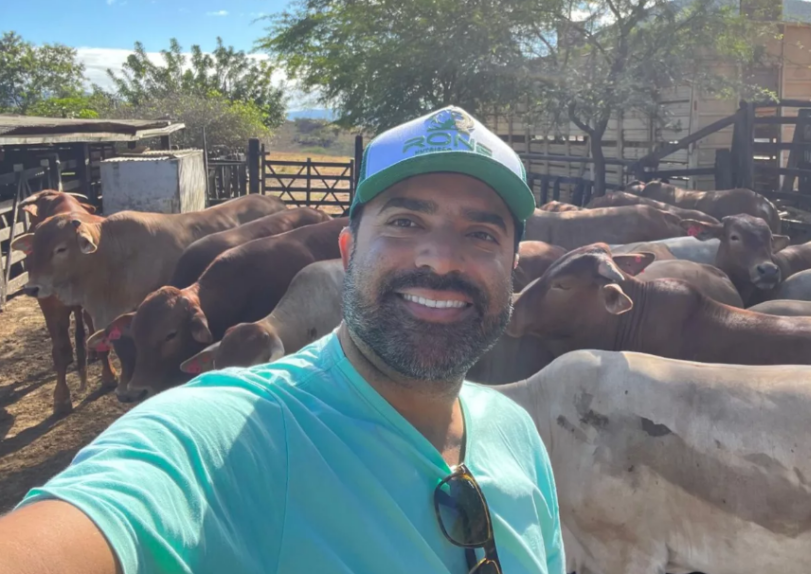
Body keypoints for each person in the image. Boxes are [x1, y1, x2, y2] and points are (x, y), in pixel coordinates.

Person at [0, 106, 564, 574]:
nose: (441, 258)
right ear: (345, 254)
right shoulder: (226, 437)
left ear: (513, 269)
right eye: (405, 223)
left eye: (481, 233)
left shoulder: (520, 436)